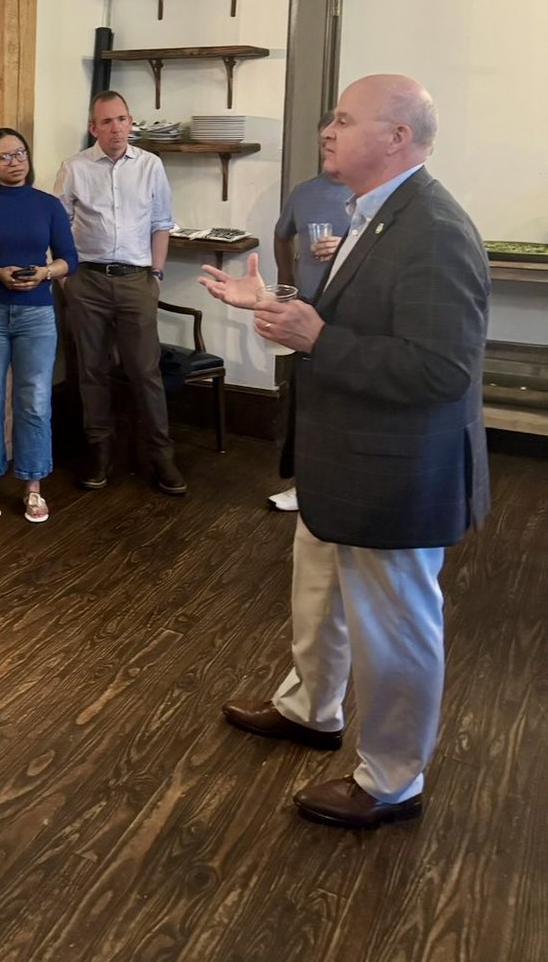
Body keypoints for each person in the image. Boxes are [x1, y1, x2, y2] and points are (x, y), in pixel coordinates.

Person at [199, 74, 490, 829]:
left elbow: (441, 369)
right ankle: (310, 709)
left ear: (396, 137)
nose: (326, 131)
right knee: (317, 593)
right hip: (344, 462)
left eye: (342, 119)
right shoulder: (375, 215)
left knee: (395, 629)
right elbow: (347, 319)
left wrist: (318, 337)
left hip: (394, 475)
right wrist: (269, 305)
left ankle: (392, 780)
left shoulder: (434, 230)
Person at [54, 90, 185, 495]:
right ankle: (99, 451)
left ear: (132, 123)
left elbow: (161, 222)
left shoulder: (150, 166)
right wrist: (66, 279)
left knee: (144, 370)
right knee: (91, 370)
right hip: (87, 280)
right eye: (106, 121)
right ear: (93, 127)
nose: (115, 128)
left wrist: (157, 274)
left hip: (136, 280)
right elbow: (58, 225)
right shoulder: (74, 168)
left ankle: (161, 455)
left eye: (122, 120)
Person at [0, 128, 77, 523]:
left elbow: (68, 260)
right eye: (5, 157)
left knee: (35, 401)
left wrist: (44, 272)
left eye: (20, 153)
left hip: (36, 314)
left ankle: (32, 486)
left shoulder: (48, 205)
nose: (16, 162)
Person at [267, 111, 350, 513]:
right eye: (324, 141)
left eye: (336, 140)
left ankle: (347, 485)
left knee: (346, 401)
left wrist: (346, 248)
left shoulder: (370, 195)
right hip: (308, 307)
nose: (329, 147)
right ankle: (304, 486)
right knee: (306, 402)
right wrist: (287, 281)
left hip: (353, 313)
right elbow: (282, 236)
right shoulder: (304, 192)